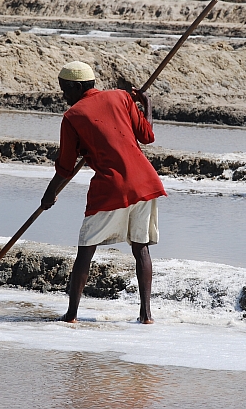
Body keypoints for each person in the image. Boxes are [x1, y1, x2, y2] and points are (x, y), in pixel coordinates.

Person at [41, 61, 167, 324]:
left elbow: (65, 167)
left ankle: (71, 315)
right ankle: (146, 315)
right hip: (145, 181)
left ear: (77, 86)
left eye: (65, 89)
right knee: (141, 248)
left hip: (112, 185)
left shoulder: (73, 116)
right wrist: (147, 104)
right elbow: (147, 135)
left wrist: (49, 194)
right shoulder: (122, 97)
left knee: (85, 249)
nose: (63, 95)